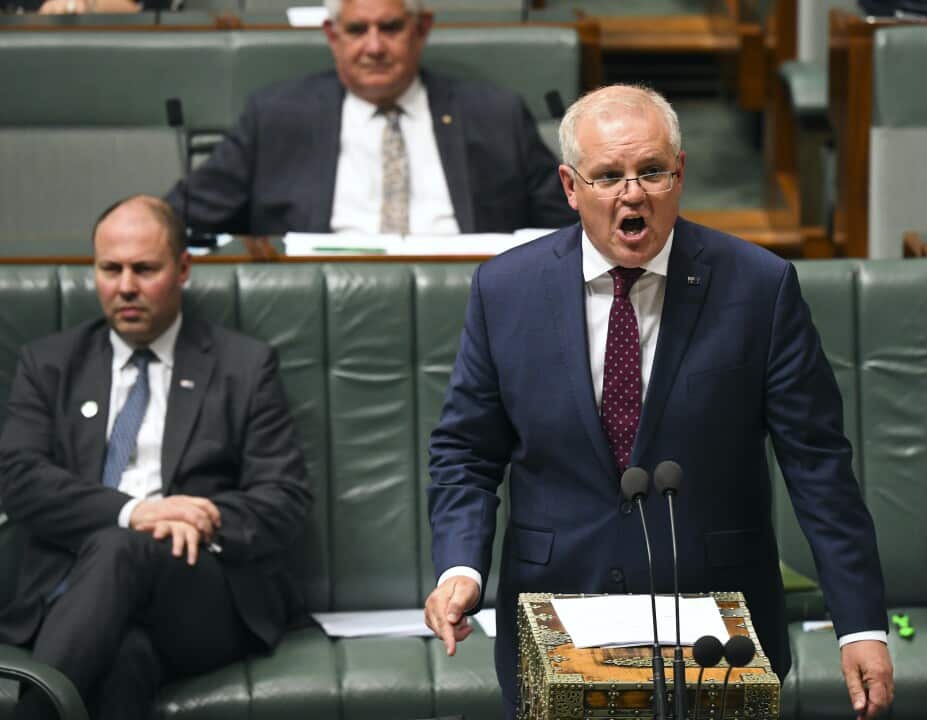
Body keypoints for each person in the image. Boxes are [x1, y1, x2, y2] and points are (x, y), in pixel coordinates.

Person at [422, 84, 894, 718]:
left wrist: (860, 623)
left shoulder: (760, 287)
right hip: (557, 616)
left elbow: (818, 466)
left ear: (680, 174)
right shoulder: (506, 289)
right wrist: (460, 568)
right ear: (570, 187)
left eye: (651, 171)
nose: (633, 194)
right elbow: (465, 452)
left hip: (717, 631)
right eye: (607, 176)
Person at [0, 195, 311, 720]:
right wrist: (135, 512)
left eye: (144, 269)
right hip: (69, 594)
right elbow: (18, 478)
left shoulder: (243, 366)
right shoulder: (50, 364)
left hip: (198, 593)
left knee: (124, 548)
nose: (125, 286)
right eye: (110, 269)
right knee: (126, 657)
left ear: (183, 268)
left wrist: (204, 517)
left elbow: (284, 497)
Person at [164, 0, 576, 236]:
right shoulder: (275, 116)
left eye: (390, 28)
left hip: (469, 300)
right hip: (319, 303)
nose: (374, 47)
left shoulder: (494, 114)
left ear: (421, 29)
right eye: (358, 30)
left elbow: (572, 223)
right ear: (333, 36)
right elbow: (178, 216)